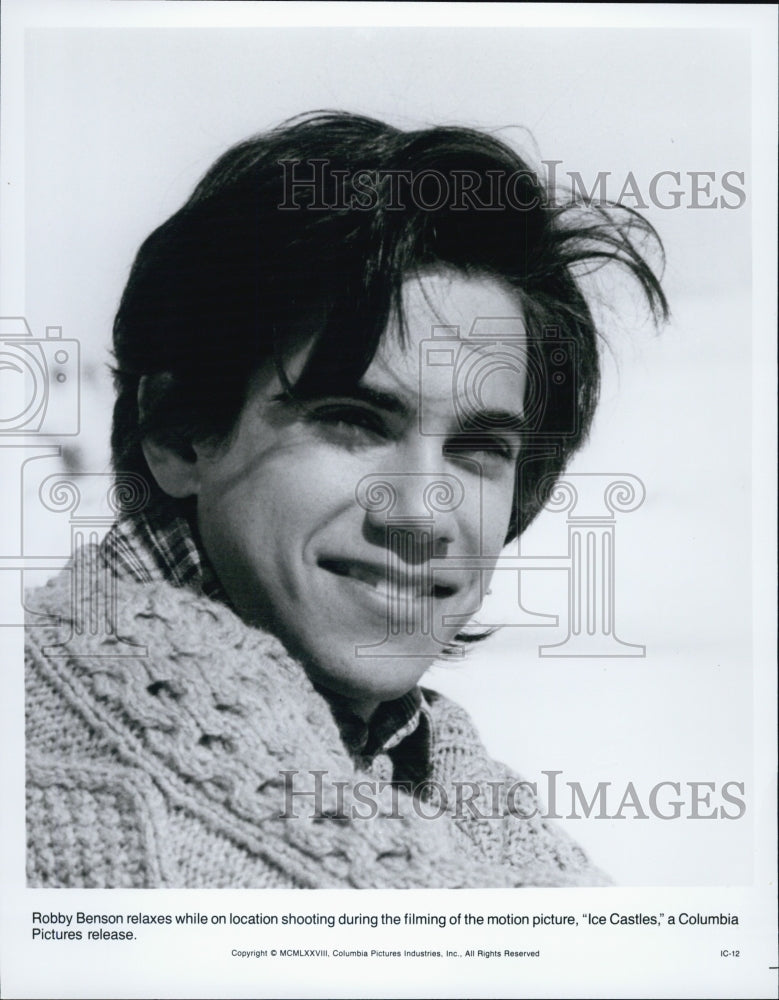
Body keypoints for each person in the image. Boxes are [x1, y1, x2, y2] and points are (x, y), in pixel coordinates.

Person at [25, 111, 666, 888]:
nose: (423, 513)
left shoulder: (508, 840)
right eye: (353, 421)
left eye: (478, 450)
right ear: (178, 434)